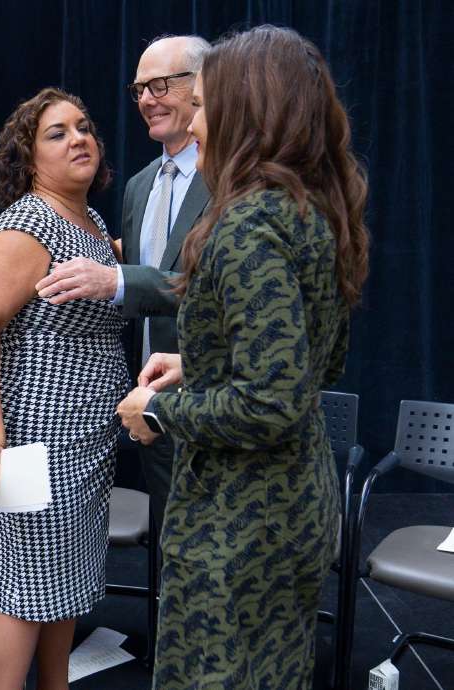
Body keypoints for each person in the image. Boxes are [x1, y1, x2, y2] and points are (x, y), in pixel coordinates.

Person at [116, 25, 370, 689]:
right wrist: (197, 368)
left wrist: (162, 409)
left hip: (241, 521)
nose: (193, 122)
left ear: (246, 110)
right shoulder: (313, 209)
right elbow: (319, 363)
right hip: (291, 506)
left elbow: (269, 402)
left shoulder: (249, 224)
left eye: (200, 105)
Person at [0, 87, 129, 690]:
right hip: (34, 442)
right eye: (57, 133)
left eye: (84, 127)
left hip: (85, 444)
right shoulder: (27, 223)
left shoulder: (91, 220)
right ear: (29, 160)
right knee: (22, 594)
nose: (79, 138)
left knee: (60, 586)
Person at [35, 35, 211, 535]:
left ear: (203, 86)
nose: (147, 100)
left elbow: (213, 286)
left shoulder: (233, 179)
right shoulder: (138, 187)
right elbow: (146, 282)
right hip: (150, 407)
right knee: (171, 557)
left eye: (160, 85)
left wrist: (114, 277)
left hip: (213, 404)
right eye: (138, 90)